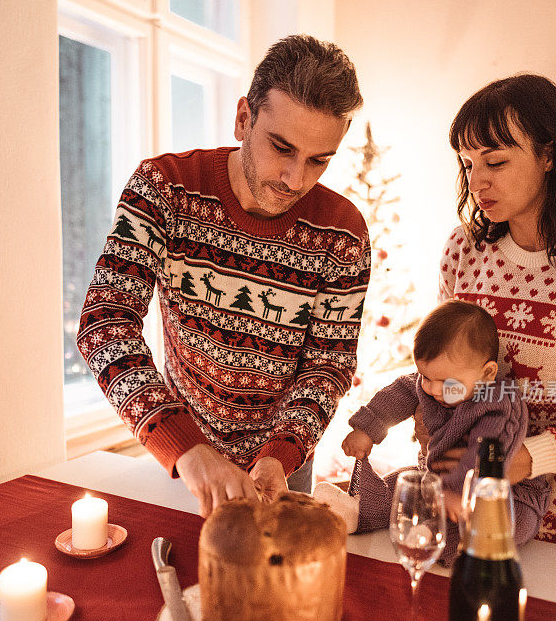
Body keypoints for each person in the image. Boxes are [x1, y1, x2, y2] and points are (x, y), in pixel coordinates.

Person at [77, 35, 371, 516]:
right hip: (181, 451)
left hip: (283, 466)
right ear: (243, 119)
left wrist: (280, 455)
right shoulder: (163, 189)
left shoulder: (343, 232)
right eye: (282, 147)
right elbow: (105, 324)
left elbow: (329, 362)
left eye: (319, 160)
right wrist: (186, 450)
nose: (296, 179)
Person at [433, 73, 556, 552]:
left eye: (495, 161)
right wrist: (437, 441)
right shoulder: (464, 251)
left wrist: (529, 457)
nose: (477, 181)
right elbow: (444, 372)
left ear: (548, 155)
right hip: (470, 513)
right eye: (468, 163)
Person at [313, 300, 550, 563]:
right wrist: (366, 430)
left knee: (495, 526)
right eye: (426, 377)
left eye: (448, 383)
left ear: (487, 374)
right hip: (437, 481)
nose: (434, 390)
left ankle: (442, 543)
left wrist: (456, 491)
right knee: (404, 485)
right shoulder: (434, 384)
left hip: (504, 492)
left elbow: (483, 455)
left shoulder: (499, 406)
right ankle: (358, 511)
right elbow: (398, 394)